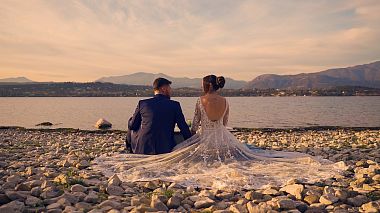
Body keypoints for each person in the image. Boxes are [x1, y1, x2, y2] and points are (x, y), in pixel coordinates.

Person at [95, 75, 345, 190]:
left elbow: (192, 127)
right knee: (248, 155)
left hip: (200, 138)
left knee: (185, 151)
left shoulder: (196, 101)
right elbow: (225, 123)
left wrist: (192, 138)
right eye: (169, 86)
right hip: (222, 137)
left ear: (205, 86)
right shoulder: (225, 100)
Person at [126, 77, 191, 154]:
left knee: (131, 124)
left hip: (144, 147)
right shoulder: (174, 105)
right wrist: (191, 141)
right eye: (169, 88)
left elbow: (133, 125)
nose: (171, 90)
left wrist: (130, 120)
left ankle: (129, 150)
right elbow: (183, 127)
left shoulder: (143, 103)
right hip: (165, 147)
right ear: (163, 88)